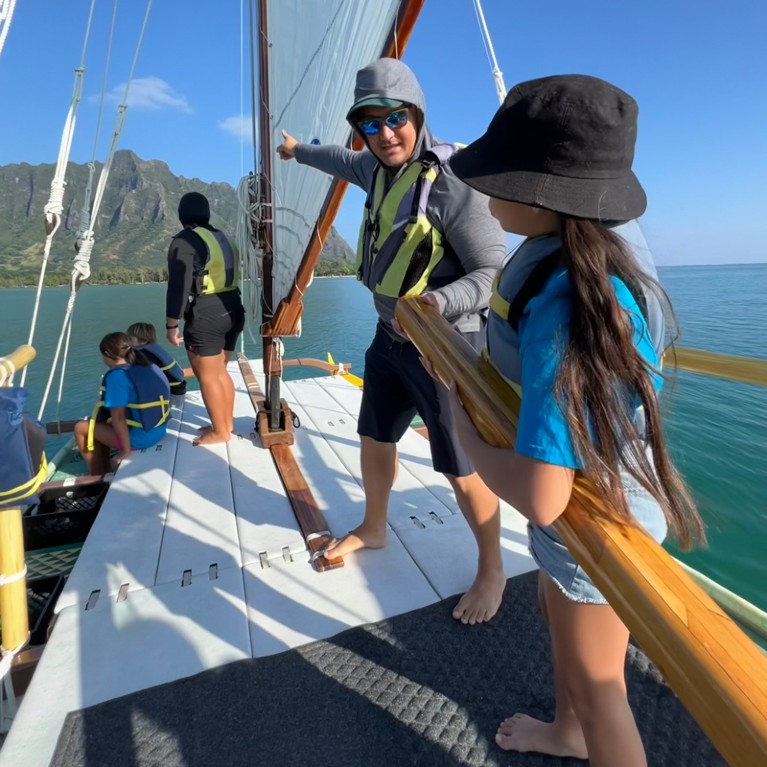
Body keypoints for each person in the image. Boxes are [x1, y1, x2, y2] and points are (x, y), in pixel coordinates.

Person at [446, 75, 706, 765]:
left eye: (496, 179)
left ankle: (581, 726)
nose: (483, 192)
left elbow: (542, 494)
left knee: (602, 690)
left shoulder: (566, 310)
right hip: (586, 507)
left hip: (599, 516)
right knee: (554, 611)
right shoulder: (586, 244)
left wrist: (466, 433)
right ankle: (566, 733)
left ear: (544, 196)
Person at [277, 57, 508, 624]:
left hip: (448, 350)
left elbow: (492, 271)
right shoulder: (375, 169)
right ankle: (375, 527)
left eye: (395, 119)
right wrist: (295, 150)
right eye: (370, 123)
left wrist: (437, 305)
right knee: (375, 436)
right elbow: (337, 159)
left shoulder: (453, 184)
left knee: (461, 464)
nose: (384, 134)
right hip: (390, 339)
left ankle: (493, 567)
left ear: (417, 113)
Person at [165, 192, 244, 445]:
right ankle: (225, 423)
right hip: (233, 307)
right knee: (220, 371)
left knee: (208, 376)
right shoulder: (222, 237)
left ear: (181, 215)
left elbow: (178, 286)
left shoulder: (185, 241)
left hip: (207, 314)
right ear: (207, 213)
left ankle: (221, 432)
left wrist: (171, 325)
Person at [74, 332, 170, 475]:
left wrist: (125, 451)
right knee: (100, 424)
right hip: (159, 430)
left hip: (141, 438)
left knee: (81, 427)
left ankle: (97, 474)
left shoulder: (117, 376)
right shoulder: (148, 367)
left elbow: (118, 417)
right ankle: (104, 464)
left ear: (106, 354)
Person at [127, 321, 191, 396]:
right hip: (178, 388)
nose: (127, 341)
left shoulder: (144, 355)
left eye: (130, 339)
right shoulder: (153, 349)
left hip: (170, 392)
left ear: (143, 340)